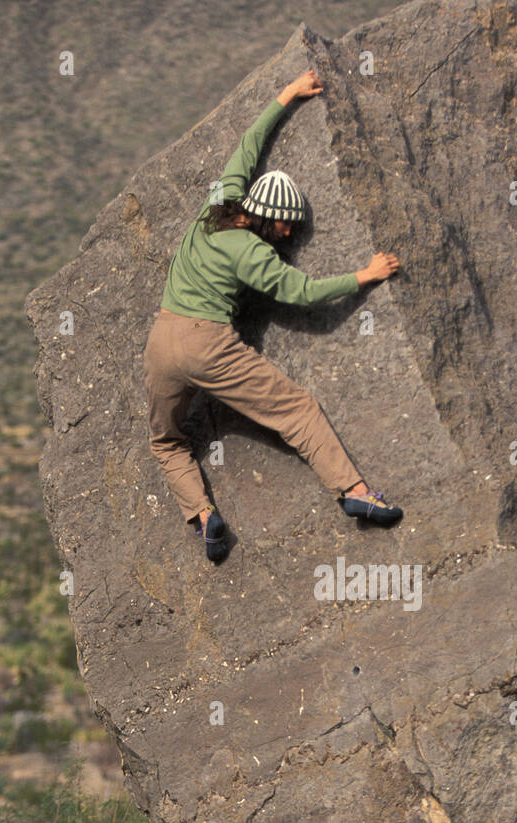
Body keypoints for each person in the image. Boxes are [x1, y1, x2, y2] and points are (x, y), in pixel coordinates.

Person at [143, 67, 403, 561]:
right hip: (209, 344)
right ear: (267, 218)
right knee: (296, 410)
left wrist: (286, 96)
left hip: (162, 337)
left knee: (167, 442)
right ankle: (355, 493)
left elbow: (248, 147)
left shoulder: (214, 208)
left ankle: (204, 518)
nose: (287, 236)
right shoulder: (253, 254)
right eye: (285, 227)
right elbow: (302, 292)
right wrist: (363, 277)